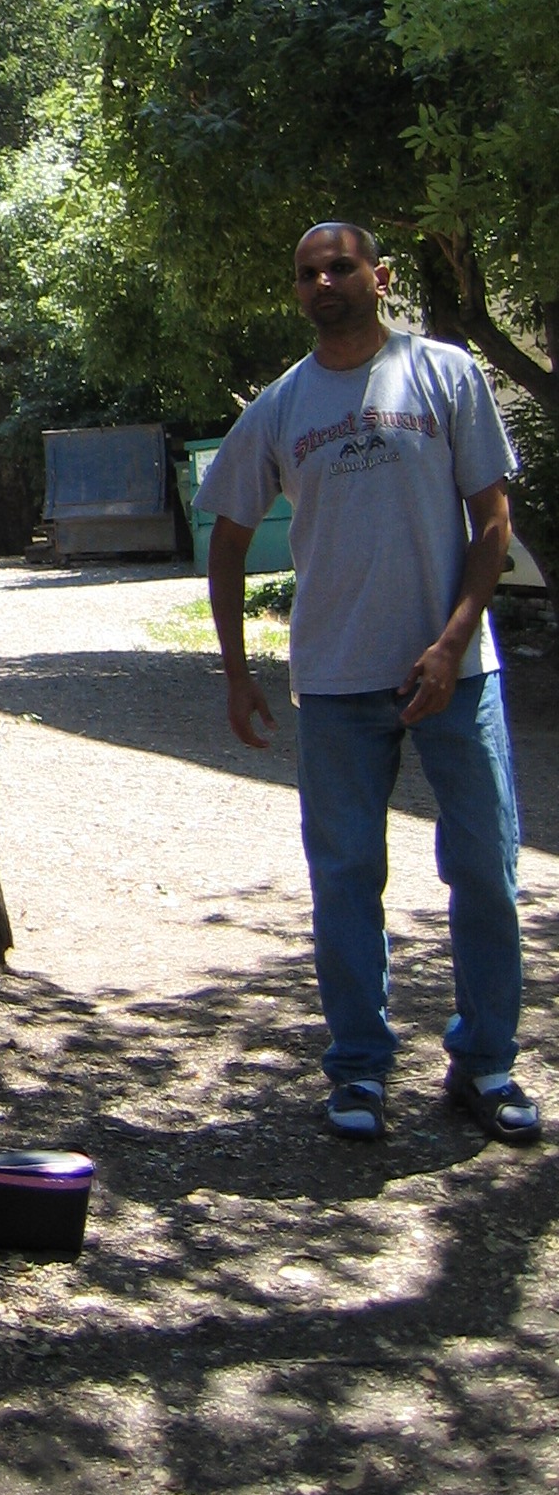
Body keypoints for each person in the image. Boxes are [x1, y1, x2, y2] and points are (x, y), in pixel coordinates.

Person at [195, 221, 536, 1144]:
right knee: (346, 878)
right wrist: (237, 671)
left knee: (487, 871)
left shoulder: (444, 375)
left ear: (379, 278)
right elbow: (227, 538)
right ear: (297, 291)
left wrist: (452, 642)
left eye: (341, 266)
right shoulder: (281, 407)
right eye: (308, 272)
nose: (325, 282)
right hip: (337, 683)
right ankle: (357, 1070)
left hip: (457, 675)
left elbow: (493, 523)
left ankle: (487, 1063)